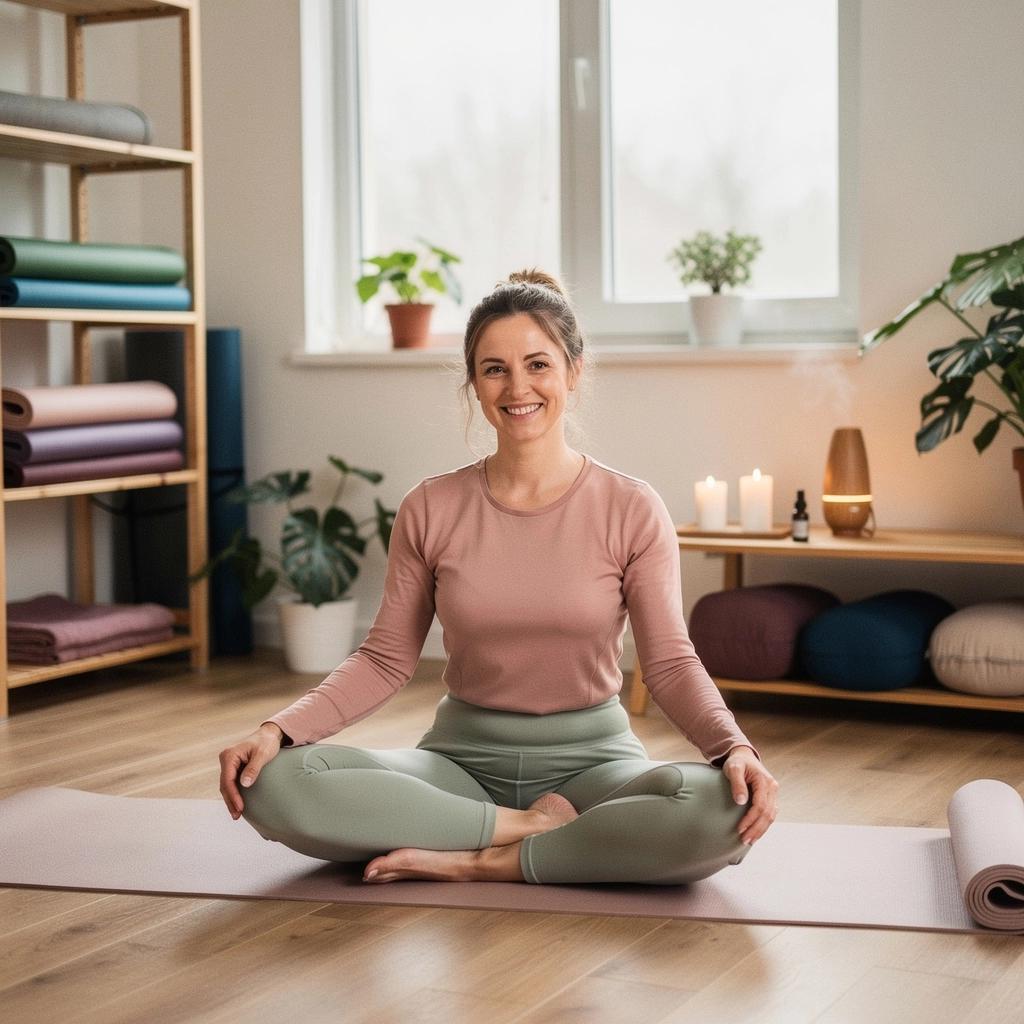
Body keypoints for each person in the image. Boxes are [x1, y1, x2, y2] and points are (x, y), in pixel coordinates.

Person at [218, 268, 779, 886]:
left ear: (574, 371)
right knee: (270, 781)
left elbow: (669, 664)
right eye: (495, 369)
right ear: (473, 383)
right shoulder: (430, 507)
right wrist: (278, 729)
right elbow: (384, 659)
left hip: (596, 767)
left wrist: (735, 748)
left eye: (538, 364)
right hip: (460, 764)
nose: (518, 388)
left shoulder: (631, 507)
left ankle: (481, 858)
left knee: (727, 809)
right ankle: (528, 830)